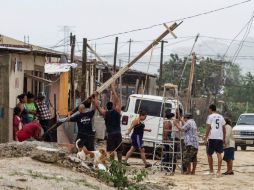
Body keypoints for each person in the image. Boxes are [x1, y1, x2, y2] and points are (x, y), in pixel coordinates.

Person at [95, 83, 123, 161]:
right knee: (119, 150)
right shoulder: (117, 111)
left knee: (111, 150)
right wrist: (113, 89)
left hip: (110, 134)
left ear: (107, 107)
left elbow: (97, 106)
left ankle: (112, 164)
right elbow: (117, 100)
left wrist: (96, 96)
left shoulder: (105, 113)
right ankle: (119, 163)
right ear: (113, 106)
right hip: (118, 133)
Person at [204, 104, 226, 176]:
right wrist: (224, 138)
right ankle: (219, 171)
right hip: (219, 137)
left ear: (210, 109)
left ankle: (211, 171)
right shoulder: (221, 117)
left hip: (212, 137)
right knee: (219, 153)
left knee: (209, 154)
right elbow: (224, 128)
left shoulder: (210, 117)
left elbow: (208, 128)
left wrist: (205, 137)